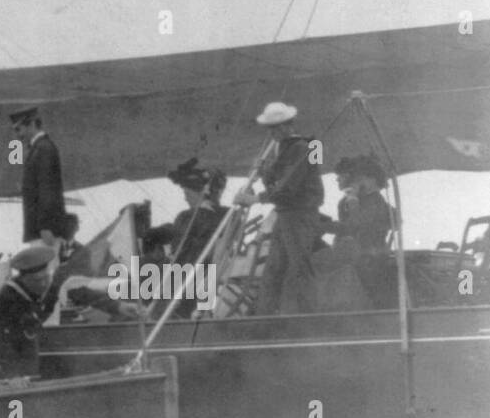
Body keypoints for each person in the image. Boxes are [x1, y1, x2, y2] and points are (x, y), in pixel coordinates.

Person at [235, 102, 326, 315]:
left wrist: (254, 199)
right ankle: (265, 315)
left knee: (299, 266)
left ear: (287, 126)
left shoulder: (301, 148)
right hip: (285, 214)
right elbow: (277, 180)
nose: (272, 133)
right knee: (274, 267)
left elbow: (288, 186)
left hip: (299, 215)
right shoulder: (286, 149)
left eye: (275, 128)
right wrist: (263, 170)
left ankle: (310, 317)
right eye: (270, 128)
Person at [142, 158, 230, 318]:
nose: (185, 198)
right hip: (206, 273)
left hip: (185, 276)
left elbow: (180, 249)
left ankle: (144, 315)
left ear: (202, 193)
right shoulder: (226, 215)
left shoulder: (188, 217)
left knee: (139, 268)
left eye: (187, 193)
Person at [0, 244, 55, 378]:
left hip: (22, 376)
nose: (43, 284)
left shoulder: (29, 297)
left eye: (46, 278)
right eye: (37, 280)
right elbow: (2, 345)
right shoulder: (6, 302)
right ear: (24, 279)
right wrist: (14, 376)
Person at [45, 213, 140, 322]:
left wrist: (118, 306)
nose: (69, 227)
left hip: (71, 305)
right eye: (66, 224)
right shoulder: (45, 249)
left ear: (77, 228)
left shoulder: (82, 251)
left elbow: (81, 283)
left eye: (73, 224)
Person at [327, 155, 395, 307]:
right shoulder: (351, 201)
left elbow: (355, 225)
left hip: (367, 259)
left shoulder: (375, 201)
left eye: (343, 176)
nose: (338, 180)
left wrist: (352, 200)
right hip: (357, 257)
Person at [11, 106, 65, 245]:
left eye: (19, 129)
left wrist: (46, 227)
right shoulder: (40, 148)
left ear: (32, 124)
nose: (17, 136)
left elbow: (48, 190)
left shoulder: (43, 149)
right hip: (40, 231)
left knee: (47, 260)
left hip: (44, 232)